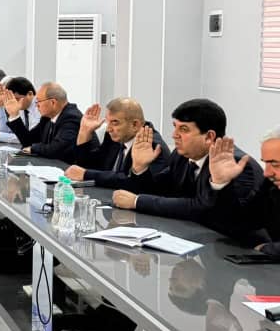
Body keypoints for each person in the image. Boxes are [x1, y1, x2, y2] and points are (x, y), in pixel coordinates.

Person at [112, 99, 263, 238]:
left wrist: (138, 201)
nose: (174, 135)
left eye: (184, 129)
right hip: (191, 237)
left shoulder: (235, 164)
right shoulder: (181, 156)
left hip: (234, 247)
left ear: (209, 136)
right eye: (175, 127)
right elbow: (159, 190)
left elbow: (203, 209)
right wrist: (140, 168)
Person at [64, 98, 170, 188]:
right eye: (108, 122)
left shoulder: (152, 145)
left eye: (115, 122)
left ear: (135, 124)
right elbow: (89, 166)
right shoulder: (115, 137)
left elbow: (131, 181)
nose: (109, 129)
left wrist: (87, 174)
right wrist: (84, 132)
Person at [202, 132, 280, 250]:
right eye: (266, 163)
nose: (266, 173)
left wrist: (269, 249)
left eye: (275, 164)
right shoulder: (271, 186)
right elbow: (239, 223)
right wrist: (222, 184)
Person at [3, 82, 82, 163]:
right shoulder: (47, 118)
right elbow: (29, 141)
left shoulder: (71, 118)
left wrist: (33, 149)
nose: (37, 105)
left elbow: (58, 149)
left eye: (39, 101)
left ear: (53, 102)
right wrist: (14, 115)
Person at [0, 77, 39, 143]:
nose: (14, 103)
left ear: (30, 94)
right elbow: (5, 131)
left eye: (17, 99)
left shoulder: (39, 107)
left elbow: (30, 138)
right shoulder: (22, 106)